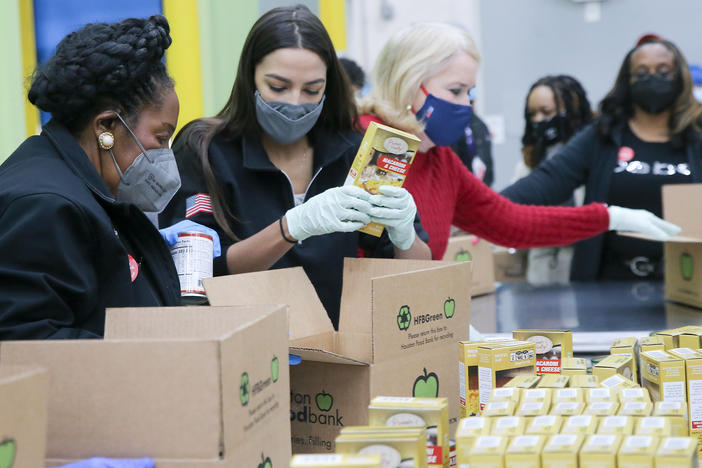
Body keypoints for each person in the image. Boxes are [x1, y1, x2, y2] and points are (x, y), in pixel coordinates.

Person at [160, 5, 431, 329]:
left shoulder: (353, 153)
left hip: (332, 352)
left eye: (312, 90)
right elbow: (198, 273)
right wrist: (291, 228)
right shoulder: (205, 150)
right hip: (241, 353)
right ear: (250, 78)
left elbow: (415, 277)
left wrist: (404, 237)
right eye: (277, 86)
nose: (295, 102)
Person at [356, 22, 680, 263]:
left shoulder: (439, 159)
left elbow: (509, 222)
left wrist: (610, 217)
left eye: (469, 93)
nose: (466, 106)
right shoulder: (365, 143)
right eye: (455, 91)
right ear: (409, 81)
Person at [0, 15, 183, 339]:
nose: (165, 155)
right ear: (106, 127)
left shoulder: (79, 187)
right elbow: (26, 343)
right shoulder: (46, 206)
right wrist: (148, 360)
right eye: (161, 137)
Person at [502, 37, 702, 280]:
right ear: (627, 81)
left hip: (685, 282)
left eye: (662, 71)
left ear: (679, 78)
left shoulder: (697, 137)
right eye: (641, 72)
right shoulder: (603, 136)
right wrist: (482, 209)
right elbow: (547, 181)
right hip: (606, 286)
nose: (652, 78)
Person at [513, 75, 594, 284]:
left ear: (571, 111)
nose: (539, 119)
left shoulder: (593, 157)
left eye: (546, 112)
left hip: (579, 270)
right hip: (539, 272)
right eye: (533, 114)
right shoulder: (528, 163)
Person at [451, 88, 494, 187]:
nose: (468, 105)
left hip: (479, 183)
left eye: (471, 102)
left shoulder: (479, 125)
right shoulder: (453, 125)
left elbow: (486, 157)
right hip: (459, 182)